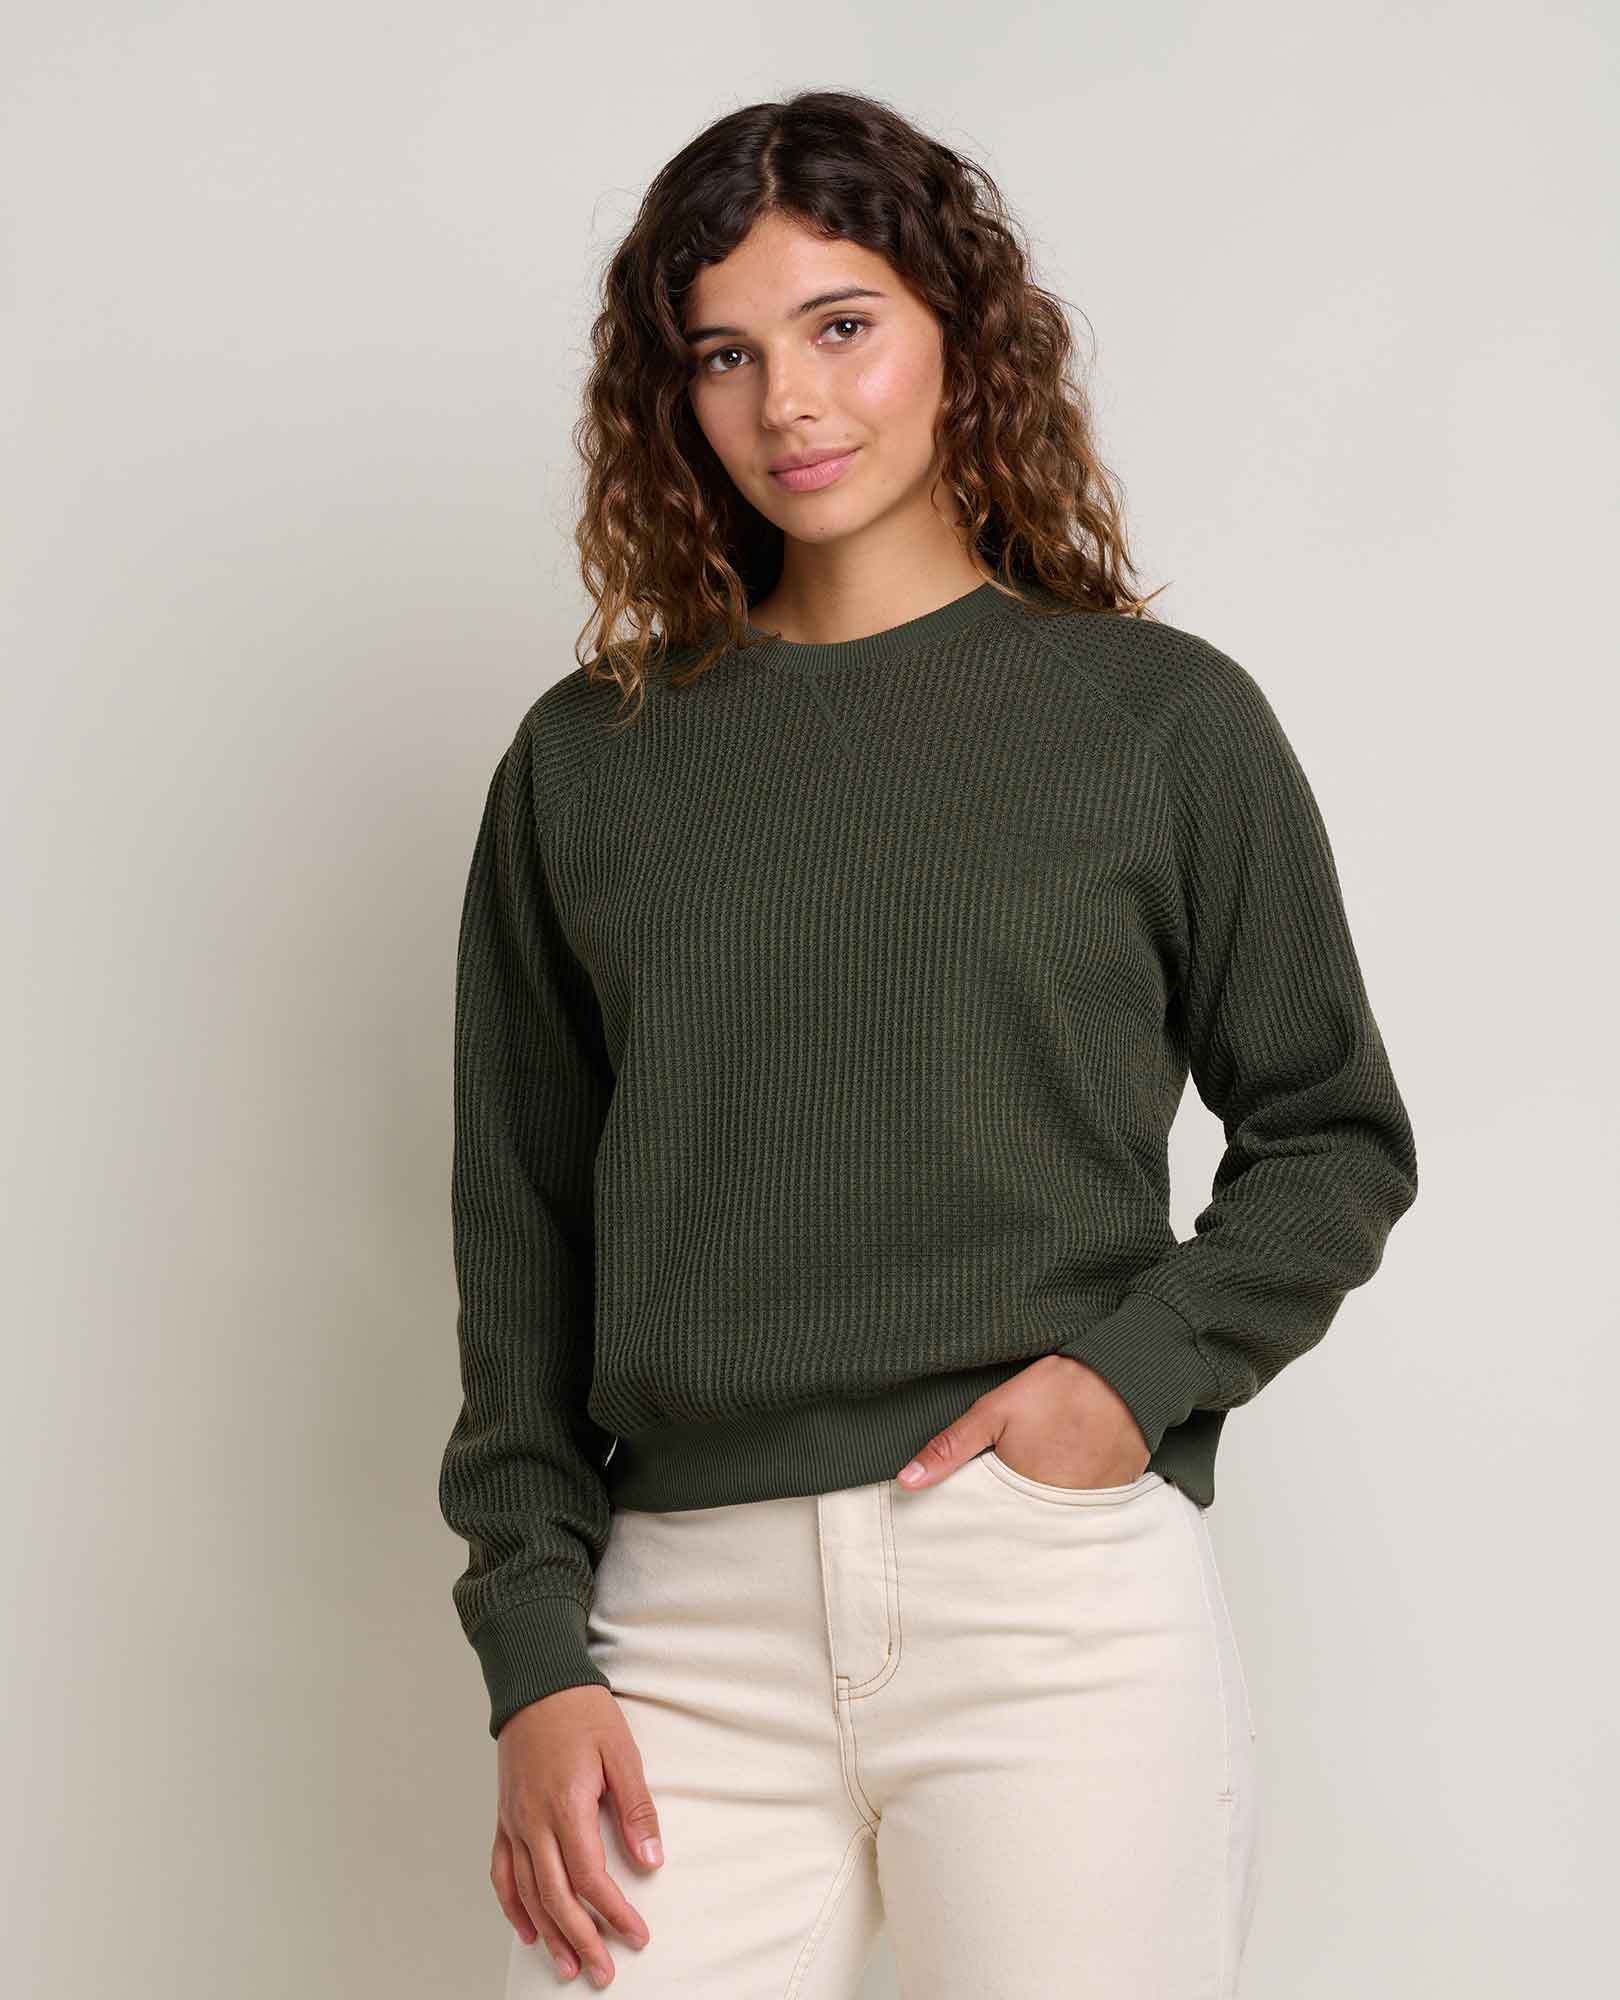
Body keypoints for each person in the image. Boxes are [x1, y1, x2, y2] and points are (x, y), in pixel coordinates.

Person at [438, 87, 1419, 1998]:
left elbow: (1332, 1135)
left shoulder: (1158, 722)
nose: (788, 402)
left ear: (963, 335)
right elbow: (522, 1244)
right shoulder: (592, 765)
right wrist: (535, 1651)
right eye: (723, 353)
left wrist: (1127, 1383)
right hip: (680, 1625)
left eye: (842, 326)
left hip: (1043, 1599)